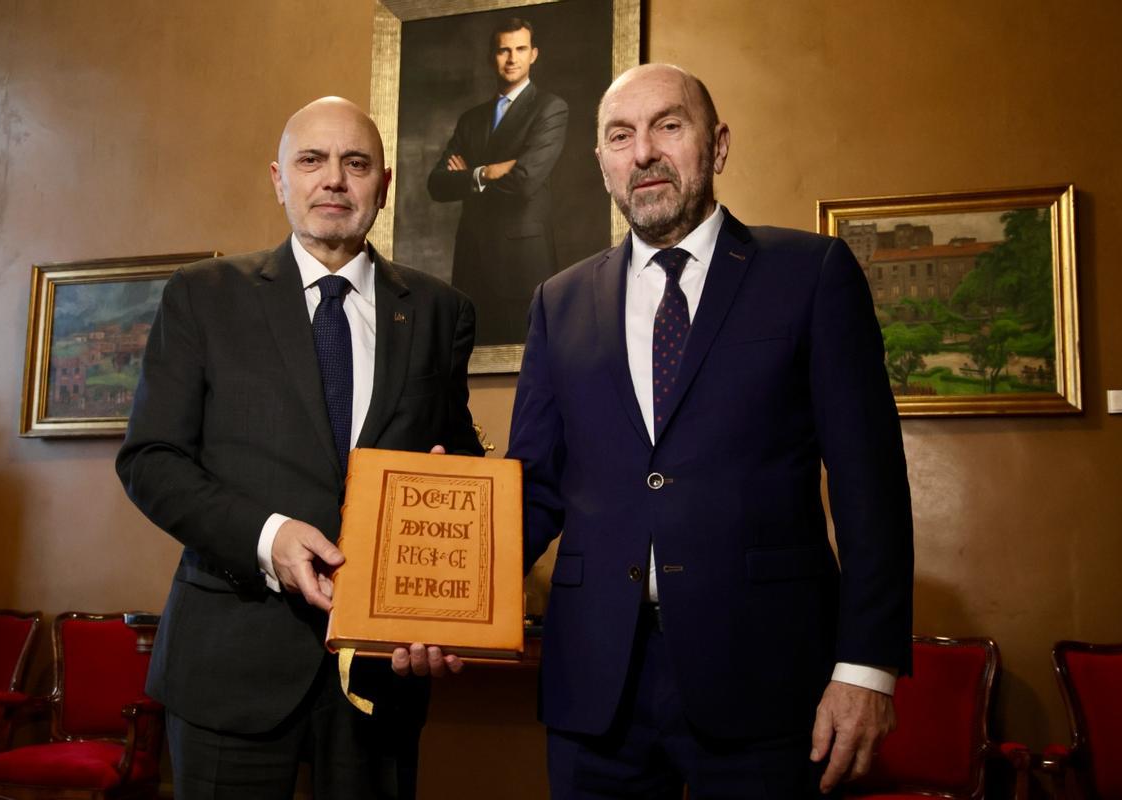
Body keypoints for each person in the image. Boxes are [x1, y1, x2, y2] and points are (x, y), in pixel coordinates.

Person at [507, 64, 914, 798]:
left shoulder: (810, 273)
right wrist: (447, 580)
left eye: (669, 125)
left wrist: (866, 668)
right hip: (596, 688)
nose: (644, 153)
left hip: (765, 679)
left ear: (717, 145)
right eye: (620, 136)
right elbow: (535, 487)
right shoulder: (558, 302)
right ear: (601, 162)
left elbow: (870, 487)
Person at [116, 96, 483, 799]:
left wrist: (444, 578)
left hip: (382, 673)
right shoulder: (202, 296)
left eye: (356, 163)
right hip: (230, 662)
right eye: (312, 161)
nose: (334, 180)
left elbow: (456, 461)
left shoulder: (441, 311)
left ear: (385, 183)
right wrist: (270, 537)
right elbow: (151, 460)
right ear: (279, 179)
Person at [428, 17, 569, 346]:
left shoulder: (550, 109)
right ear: (492, 56)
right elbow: (436, 184)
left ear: (534, 54)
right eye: (503, 50)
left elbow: (524, 181)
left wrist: (466, 176)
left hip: (522, 264)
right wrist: (485, 172)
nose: (512, 58)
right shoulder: (471, 119)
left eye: (520, 49)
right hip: (472, 261)